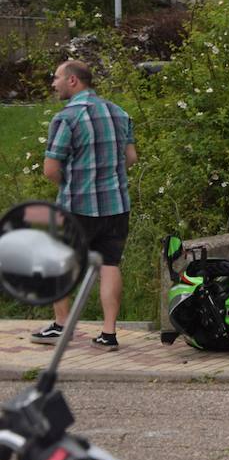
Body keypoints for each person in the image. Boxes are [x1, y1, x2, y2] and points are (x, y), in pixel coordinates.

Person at [30, 59, 136, 350]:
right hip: (117, 205)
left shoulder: (67, 118)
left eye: (56, 78)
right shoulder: (119, 112)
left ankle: (62, 327)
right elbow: (131, 157)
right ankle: (108, 333)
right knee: (110, 265)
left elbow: (51, 169)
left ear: (73, 81)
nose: (53, 84)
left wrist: (74, 184)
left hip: (78, 206)